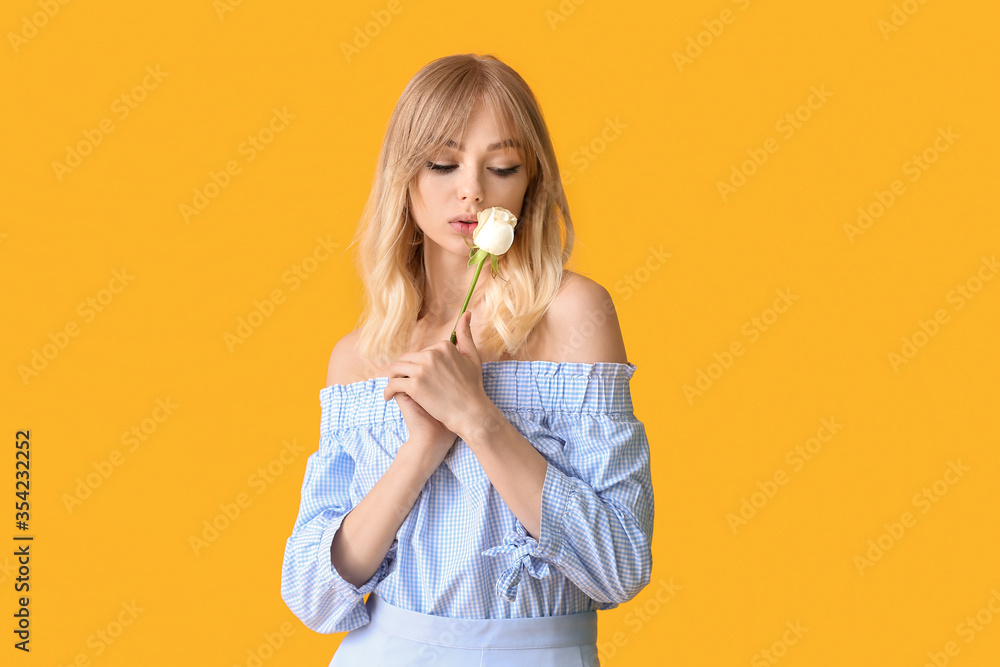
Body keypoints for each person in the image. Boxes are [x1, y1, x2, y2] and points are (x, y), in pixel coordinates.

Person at [280, 53, 654, 666]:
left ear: (530, 180)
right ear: (405, 176)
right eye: (443, 163)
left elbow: (620, 567)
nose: (472, 190)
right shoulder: (359, 356)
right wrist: (420, 449)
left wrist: (478, 420)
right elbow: (314, 598)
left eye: (501, 166)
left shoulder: (574, 317)